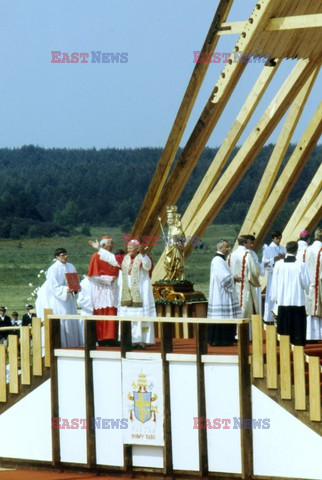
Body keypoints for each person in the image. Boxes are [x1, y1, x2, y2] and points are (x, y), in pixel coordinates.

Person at [89, 238, 155, 349]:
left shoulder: (143, 258)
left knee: (139, 318)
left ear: (137, 249)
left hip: (139, 295)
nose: (129, 250)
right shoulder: (124, 259)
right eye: (128, 248)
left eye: (131, 248)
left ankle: (141, 341)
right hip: (126, 295)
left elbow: (147, 266)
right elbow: (111, 259)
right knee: (128, 318)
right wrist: (99, 249)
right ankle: (129, 340)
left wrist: (144, 254)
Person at [35, 248, 83, 348]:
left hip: (69, 298)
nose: (65, 257)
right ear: (57, 257)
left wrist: (75, 288)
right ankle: (63, 344)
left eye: (66, 254)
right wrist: (65, 289)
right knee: (63, 316)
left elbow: (75, 280)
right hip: (59, 299)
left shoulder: (71, 266)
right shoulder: (53, 269)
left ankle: (73, 344)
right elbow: (53, 286)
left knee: (71, 317)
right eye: (62, 255)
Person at [270, 241, 310, 346]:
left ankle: (284, 346)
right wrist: (307, 292)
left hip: (283, 301)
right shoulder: (301, 265)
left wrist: (274, 298)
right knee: (297, 328)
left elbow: (274, 282)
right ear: (296, 251)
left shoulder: (278, 265)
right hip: (298, 301)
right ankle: (298, 343)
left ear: (286, 250)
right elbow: (306, 283)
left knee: (284, 327)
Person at [208, 240, 242, 346]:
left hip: (223, 292)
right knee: (221, 316)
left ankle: (228, 338)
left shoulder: (221, 260)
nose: (228, 249)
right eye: (226, 247)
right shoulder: (217, 260)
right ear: (220, 248)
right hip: (220, 294)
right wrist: (233, 278)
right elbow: (223, 278)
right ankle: (221, 340)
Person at [87, 235, 120, 346]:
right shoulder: (96, 256)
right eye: (111, 243)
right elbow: (92, 276)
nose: (113, 245)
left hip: (112, 290)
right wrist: (109, 279)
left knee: (112, 312)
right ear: (104, 245)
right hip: (100, 290)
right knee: (102, 312)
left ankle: (112, 338)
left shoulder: (113, 257)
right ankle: (101, 339)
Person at [230, 235, 261, 318]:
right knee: (246, 307)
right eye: (249, 243)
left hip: (233, 286)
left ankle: (236, 329)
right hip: (245, 286)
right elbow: (255, 271)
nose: (251, 245)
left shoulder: (231, 255)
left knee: (235, 308)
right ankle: (245, 330)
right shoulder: (247, 255)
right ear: (244, 243)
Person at [262, 230, 286, 324]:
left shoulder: (283, 248)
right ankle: (269, 318)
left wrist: (284, 258)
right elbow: (265, 263)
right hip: (273, 276)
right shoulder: (268, 249)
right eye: (277, 238)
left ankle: (279, 316)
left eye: (280, 238)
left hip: (282, 276)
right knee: (271, 296)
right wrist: (273, 260)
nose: (279, 240)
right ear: (273, 238)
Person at [305, 228, 322, 341]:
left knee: (311, 309)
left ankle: (310, 335)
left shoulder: (308, 249)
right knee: (318, 307)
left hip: (309, 283)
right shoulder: (321, 250)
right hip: (319, 283)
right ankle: (319, 335)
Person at [163, 206, 185, 281]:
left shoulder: (178, 229)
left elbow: (183, 239)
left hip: (176, 250)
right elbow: (169, 240)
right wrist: (167, 240)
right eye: (168, 218)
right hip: (169, 250)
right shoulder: (169, 229)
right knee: (167, 262)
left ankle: (176, 277)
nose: (169, 220)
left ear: (174, 218)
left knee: (176, 264)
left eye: (171, 218)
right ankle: (169, 276)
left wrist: (176, 241)